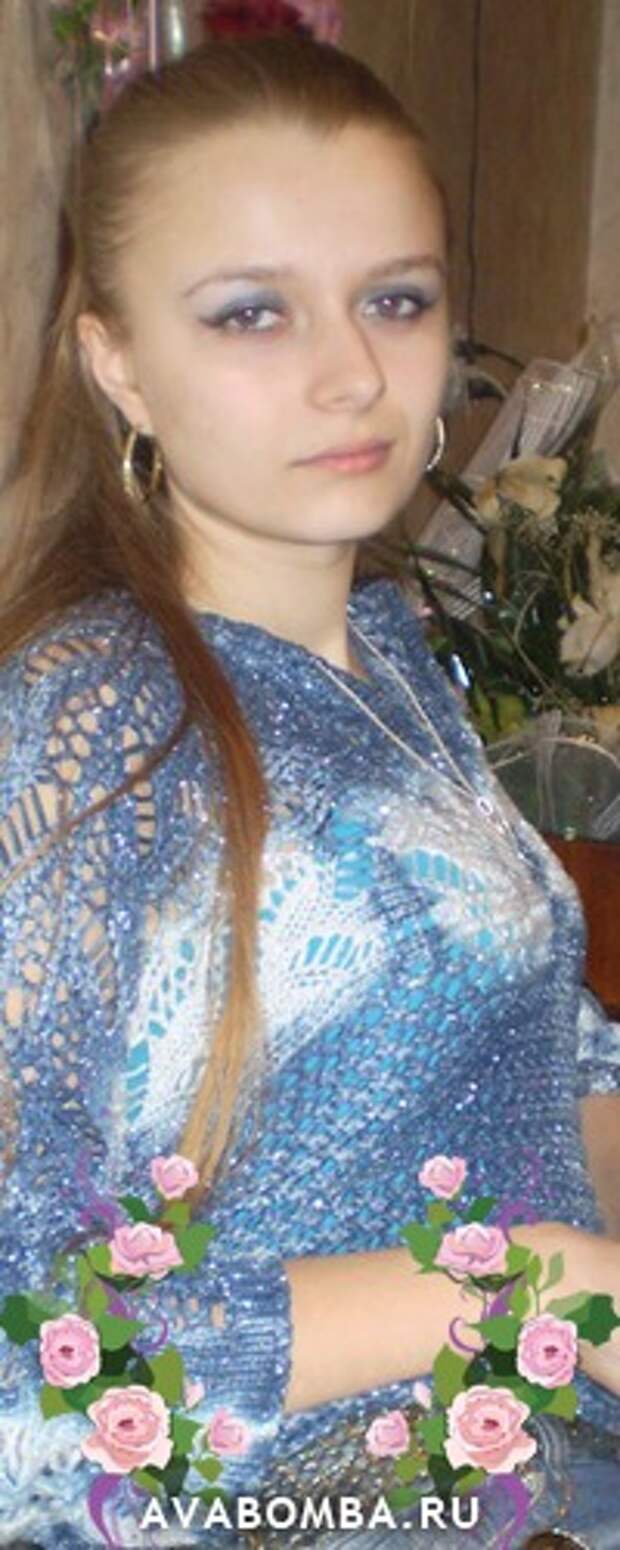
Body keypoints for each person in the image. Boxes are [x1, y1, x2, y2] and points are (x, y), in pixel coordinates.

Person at [0, 32, 619, 1550]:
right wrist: (534, 1285)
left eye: (394, 299)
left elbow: (542, 1053)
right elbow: (38, 1356)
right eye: (252, 313)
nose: (352, 374)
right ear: (116, 361)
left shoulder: (391, 650)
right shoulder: (91, 725)